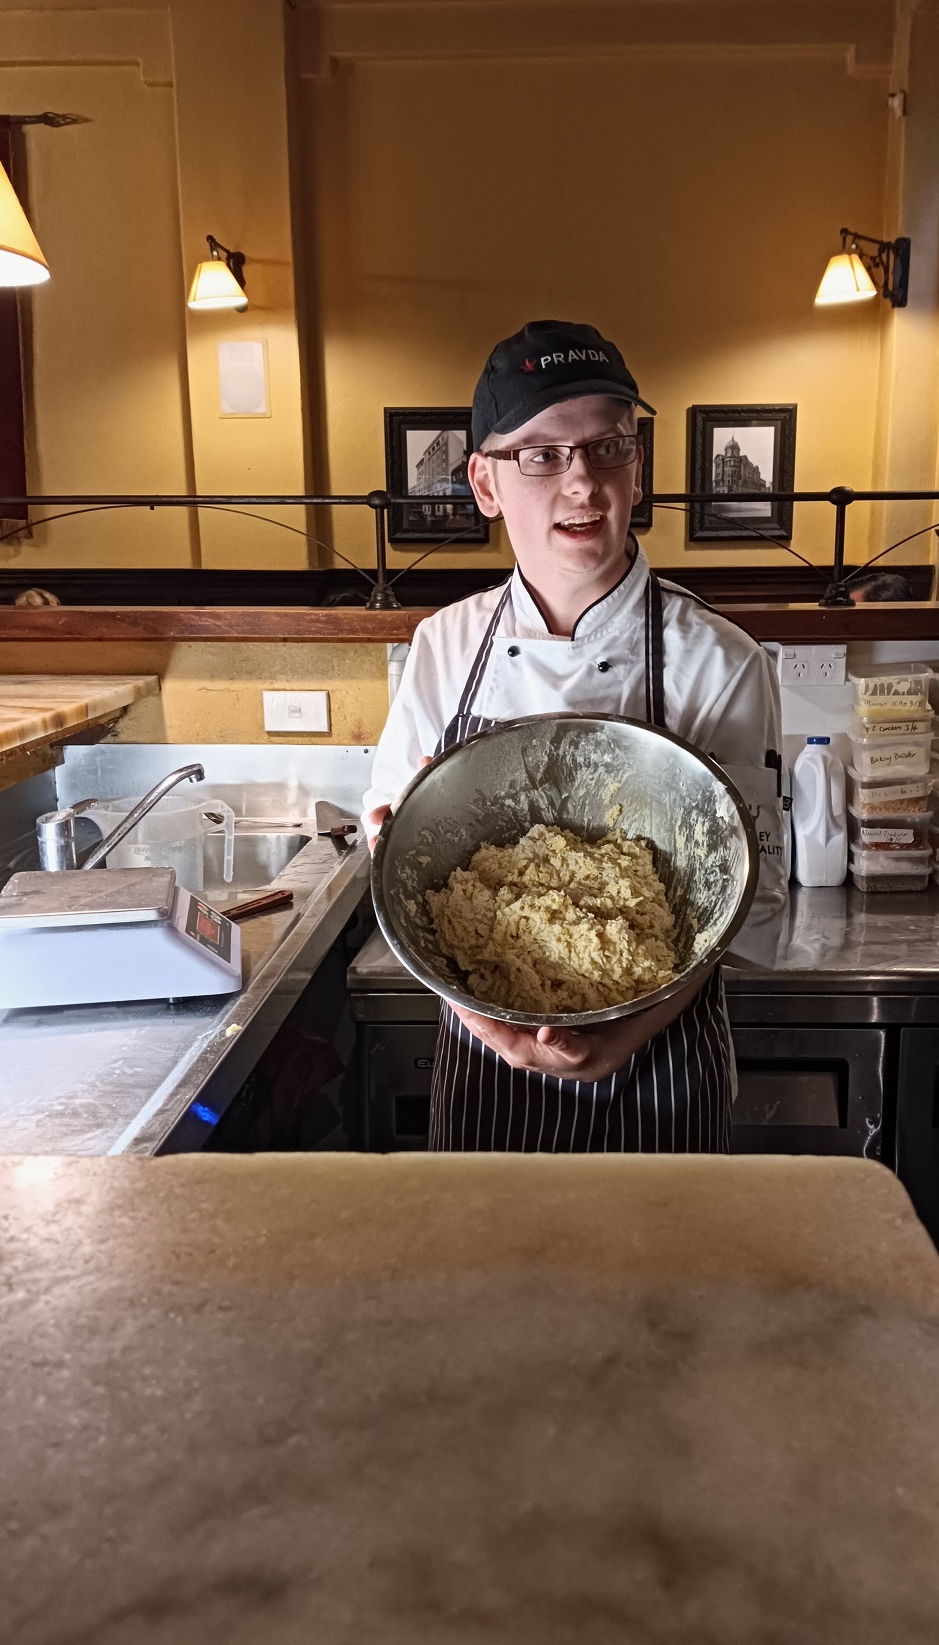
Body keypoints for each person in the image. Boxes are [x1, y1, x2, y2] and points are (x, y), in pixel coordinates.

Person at [363, 319, 786, 1152]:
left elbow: (747, 896)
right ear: (484, 483)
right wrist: (490, 1026)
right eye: (541, 454)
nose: (583, 485)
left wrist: (621, 1037)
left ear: (639, 465)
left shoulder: (721, 661)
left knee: (658, 1282)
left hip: (664, 1064)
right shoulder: (444, 645)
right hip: (487, 1066)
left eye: (608, 448)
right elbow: (396, 855)